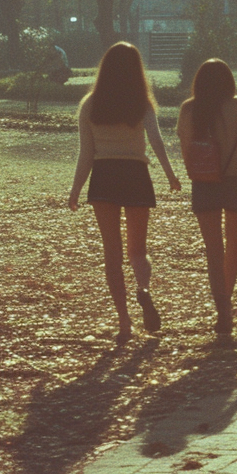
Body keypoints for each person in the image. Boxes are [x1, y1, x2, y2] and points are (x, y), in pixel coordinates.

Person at [69, 42, 181, 345]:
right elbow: (157, 142)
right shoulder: (142, 103)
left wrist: (75, 190)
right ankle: (143, 290)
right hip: (135, 175)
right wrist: (171, 175)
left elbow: (86, 153)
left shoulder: (90, 104)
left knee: (112, 254)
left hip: (104, 177)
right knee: (137, 249)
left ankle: (124, 321)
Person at [177, 58, 237, 345]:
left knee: (213, 250)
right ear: (229, 81)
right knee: (235, 241)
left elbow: (186, 152)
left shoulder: (189, 109)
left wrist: (197, 173)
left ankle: (222, 307)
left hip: (205, 183)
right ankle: (227, 298)